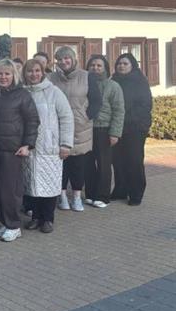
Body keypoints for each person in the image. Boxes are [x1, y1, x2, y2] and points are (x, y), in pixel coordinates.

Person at [0, 59, 39, 242]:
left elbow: (32, 121)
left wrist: (27, 144)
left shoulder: (22, 95)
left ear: (14, 75)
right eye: (0, 73)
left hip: (13, 150)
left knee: (10, 190)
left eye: (7, 74)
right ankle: (5, 222)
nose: (3, 77)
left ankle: (13, 225)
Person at [22, 59, 73, 233]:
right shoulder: (22, 92)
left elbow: (66, 117)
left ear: (42, 72)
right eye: (30, 71)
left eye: (37, 70)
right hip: (29, 148)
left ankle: (48, 219)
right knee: (32, 184)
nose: (33, 74)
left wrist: (65, 144)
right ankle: (36, 217)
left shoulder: (54, 92)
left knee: (49, 184)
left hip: (49, 146)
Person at [49, 46, 101, 212]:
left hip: (80, 127)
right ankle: (62, 196)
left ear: (73, 59)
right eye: (60, 59)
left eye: (66, 58)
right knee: (61, 165)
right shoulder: (51, 78)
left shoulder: (87, 77)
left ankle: (77, 197)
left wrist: (87, 116)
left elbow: (96, 100)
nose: (63, 61)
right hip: (58, 127)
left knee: (78, 165)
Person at [111, 53, 152, 206]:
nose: (121, 66)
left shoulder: (140, 82)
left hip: (135, 128)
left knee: (134, 161)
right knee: (118, 161)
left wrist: (127, 117)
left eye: (125, 63)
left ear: (132, 65)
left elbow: (145, 105)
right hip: (117, 128)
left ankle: (136, 193)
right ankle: (120, 190)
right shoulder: (113, 81)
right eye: (119, 63)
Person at [85, 55, 124, 208]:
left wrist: (115, 133)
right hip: (87, 129)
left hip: (104, 129)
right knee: (88, 164)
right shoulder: (84, 84)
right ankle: (90, 194)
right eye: (92, 65)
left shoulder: (113, 86)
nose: (95, 68)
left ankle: (102, 196)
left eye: (99, 65)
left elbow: (119, 111)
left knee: (104, 164)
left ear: (105, 68)